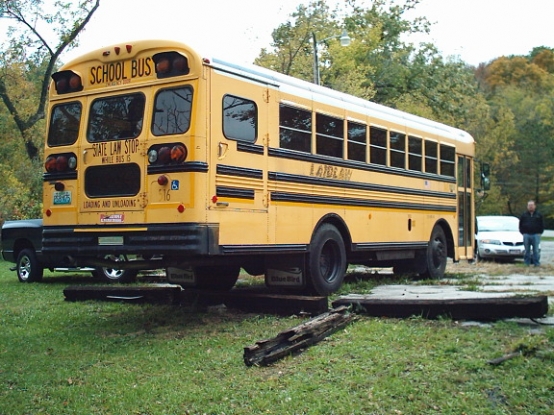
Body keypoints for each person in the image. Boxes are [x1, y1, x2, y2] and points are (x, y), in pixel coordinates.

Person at [519, 200, 544, 266]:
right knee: (527, 250)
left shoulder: (539, 215)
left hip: (536, 235)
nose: (530, 207)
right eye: (529, 205)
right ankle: (527, 263)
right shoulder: (524, 215)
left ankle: (536, 263)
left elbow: (542, 224)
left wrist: (540, 232)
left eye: (532, 205)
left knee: (536, 250)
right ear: (527, 206)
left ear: (534, 206)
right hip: (526, 234)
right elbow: (520, 224)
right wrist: (523, 232)